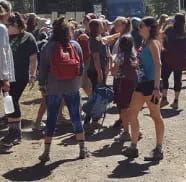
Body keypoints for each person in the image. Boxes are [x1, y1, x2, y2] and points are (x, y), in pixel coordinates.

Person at [38, 17, 88, 162]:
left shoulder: (48, 46)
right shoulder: (75, 45)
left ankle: (46, 152)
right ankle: (82, 148)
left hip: (53, 87)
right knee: (76, 117)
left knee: (51, 118)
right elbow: (81, 68)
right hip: (72, 86)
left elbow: (43, 69)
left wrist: (42, 85)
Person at [122, 17, 164, 161]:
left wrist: (157, 87)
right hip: (141, 83)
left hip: (152, 84)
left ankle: (158, 149)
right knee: (131, 113)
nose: (139, 28)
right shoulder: (144, 42)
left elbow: (158, 65)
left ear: (149, 28)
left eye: (141, 26)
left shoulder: (153, 43)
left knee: (155, 115)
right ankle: (133, 146)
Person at [1, 13, 39, 147]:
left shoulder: (28, 37)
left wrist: (33, 75)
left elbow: (33, 58)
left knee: (13, 100)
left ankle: (15, 132)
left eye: (8, 25)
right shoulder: (5, 36)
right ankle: (11, 124)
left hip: (20, 75)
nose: (6, 27)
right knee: (8, 100)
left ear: (16, 25)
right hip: (5, 75)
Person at [84, 19, 111, 131]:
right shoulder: (95, 40)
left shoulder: (98, 37)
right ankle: (87, 121)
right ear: (97, 27)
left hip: (98, 70)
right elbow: (96, 58)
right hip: (95, 71)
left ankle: (94, 120)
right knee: (95, 96)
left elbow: (108, 38)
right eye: (101, 25)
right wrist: (100, 73)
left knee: (97, 96)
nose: (103, 26)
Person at [161, 13, 186, 109]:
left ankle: (164, 98)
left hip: (168, 58)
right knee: (177, 79)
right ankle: (176, 100)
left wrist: (164, 24)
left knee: (164, 77)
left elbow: (161, 36)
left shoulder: (170, 29)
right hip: (181, 59)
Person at [111, 35, 138, 142]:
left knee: (123, 108)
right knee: (133, 108)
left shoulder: (120, 56)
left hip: (122, 84)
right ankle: (136, 130)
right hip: (134, 84)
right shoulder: (134, 55)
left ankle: (126, 132)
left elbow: (113, 71)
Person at [110, 17, 132, 130]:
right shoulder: (127, 37)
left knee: (122, 104)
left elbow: (114, 70)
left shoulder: (123, 38)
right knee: (129, 104)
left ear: (123, 25)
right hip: (130, 78)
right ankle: (127, 124)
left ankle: (125, 127)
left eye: (117, 24)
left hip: (120, 79)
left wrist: (112, 61)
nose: (114, 26)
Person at [0, 0, 15, 131]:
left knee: (7, 100)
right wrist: (5, 77)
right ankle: (13, 128)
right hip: (1, 73)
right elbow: (2, 53)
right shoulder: (2, 28)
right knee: (7, 99)